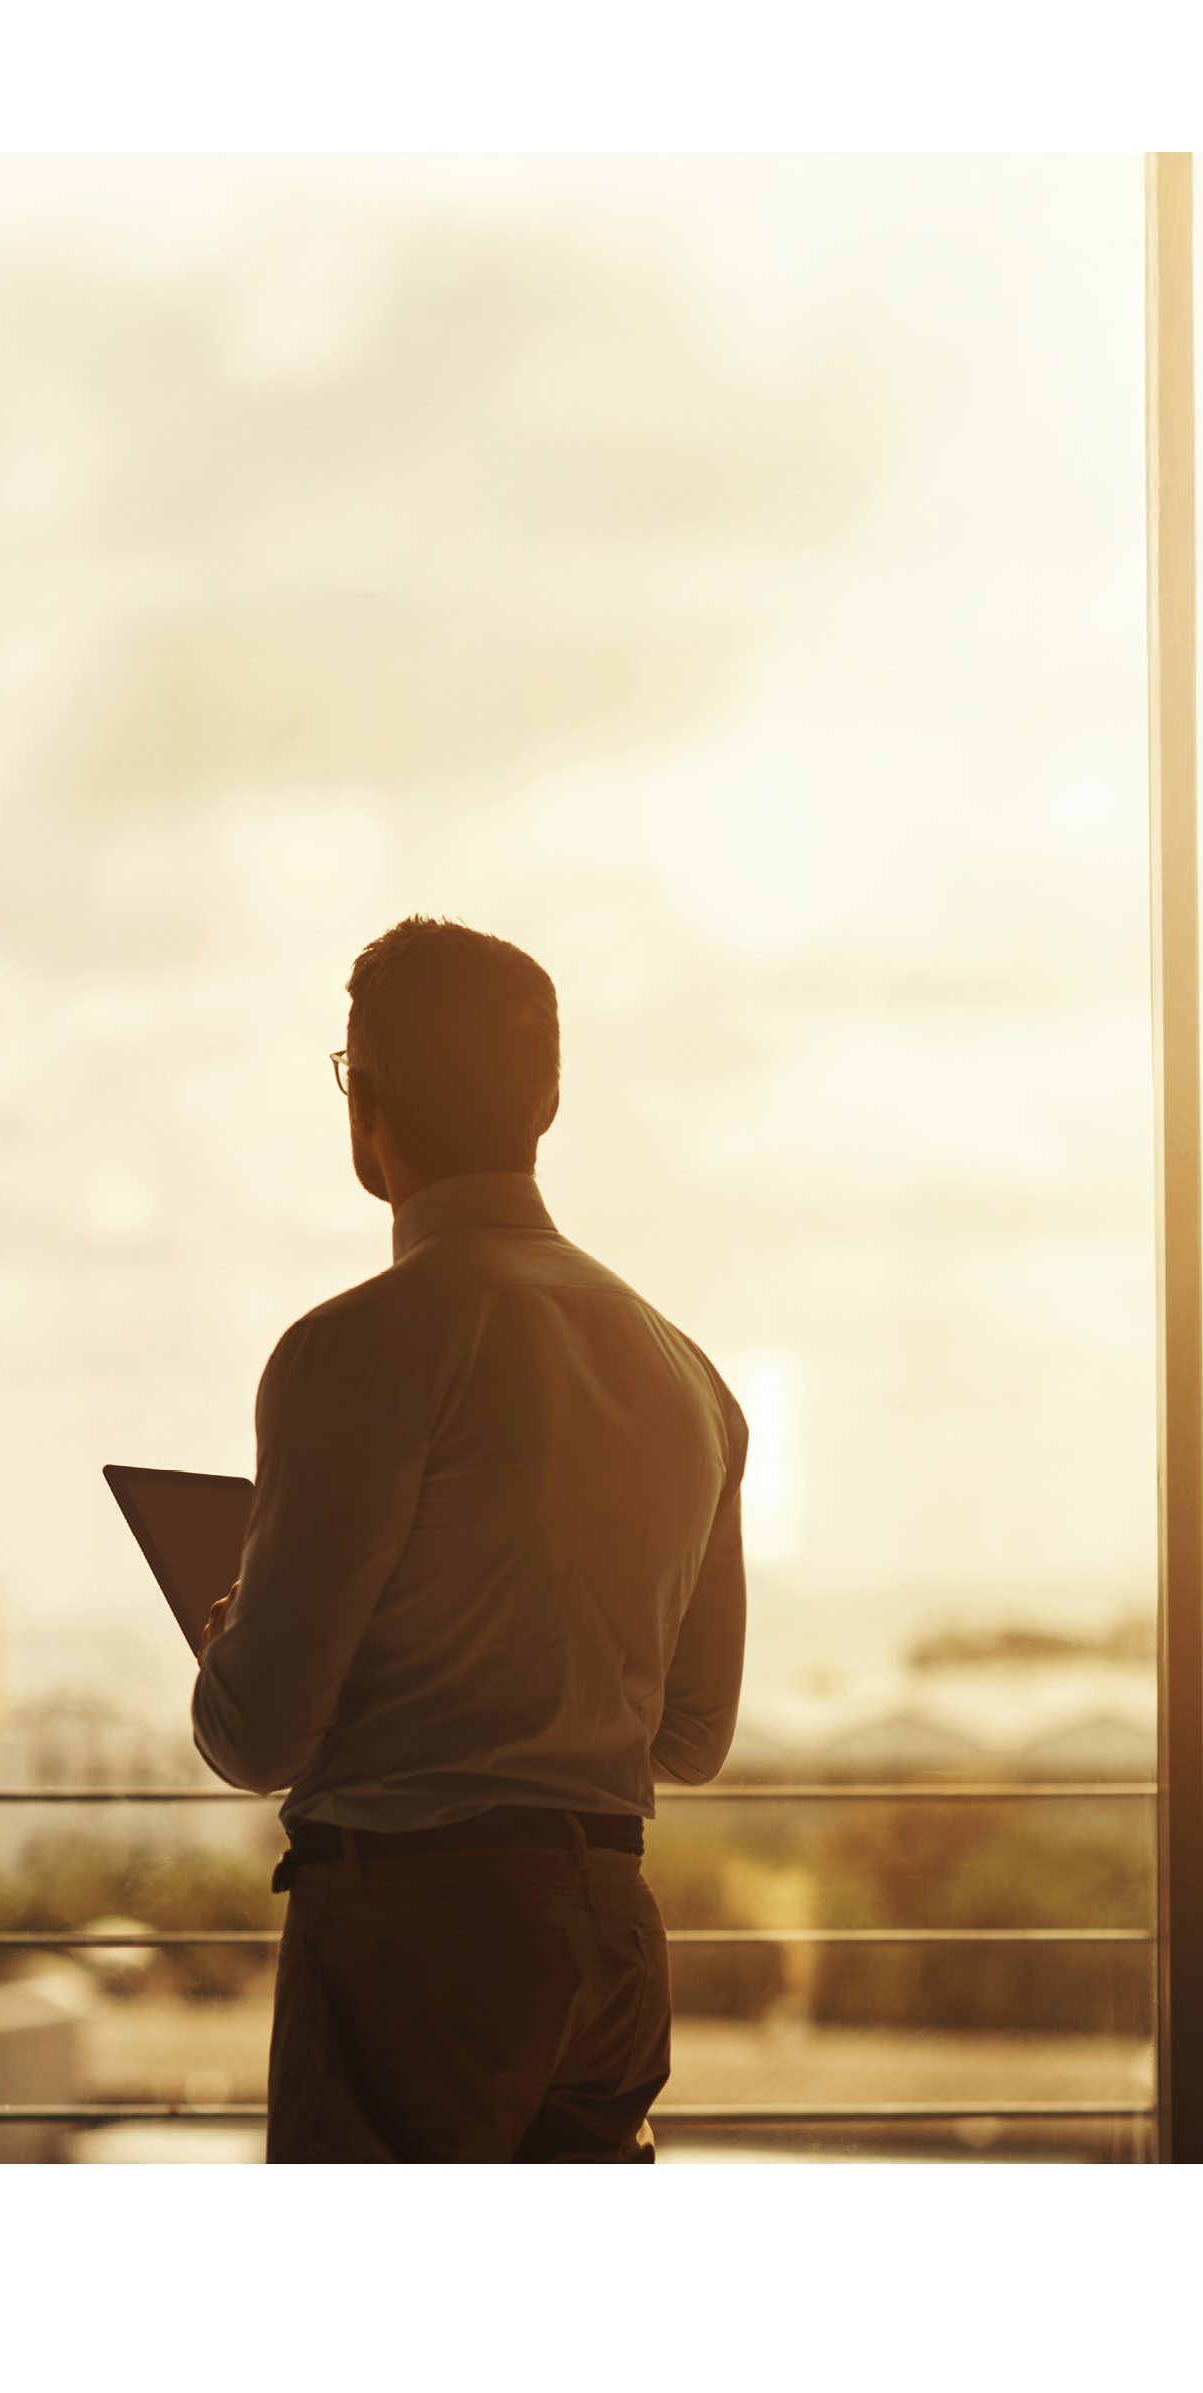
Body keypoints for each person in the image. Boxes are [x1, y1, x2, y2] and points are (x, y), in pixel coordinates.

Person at [192, 916, 746, 2162]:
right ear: (545, 1099)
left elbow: (256, 1735)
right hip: (610, 1930)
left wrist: (228, 1644)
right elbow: (692, 1737)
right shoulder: (688, 1376)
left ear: (364, 1104)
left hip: (411, 1935)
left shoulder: (351, 1351)